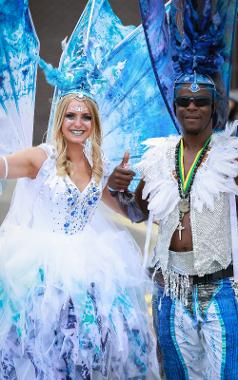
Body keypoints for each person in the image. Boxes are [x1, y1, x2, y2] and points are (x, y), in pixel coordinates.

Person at [0, 93, 159, 379]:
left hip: (91, 269)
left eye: (86, 117)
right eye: (71, 116)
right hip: (45, 271)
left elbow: (132, 213)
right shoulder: (41, 157)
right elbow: (3, 166)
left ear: (94, 123)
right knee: (43, 347)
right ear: (60, 120)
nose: (78, 123)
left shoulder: (98, 164)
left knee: (90, 348)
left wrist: (127, 185)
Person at [108, 72, 238, 379]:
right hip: (169, 289)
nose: (191, 107)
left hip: (219, 288)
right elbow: (138, 212)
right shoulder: (157, 157)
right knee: (177, 374)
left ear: (214, 107)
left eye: (200, 101)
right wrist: (117, 188)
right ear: (175, 106)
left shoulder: (231, 157)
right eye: (184, 101)